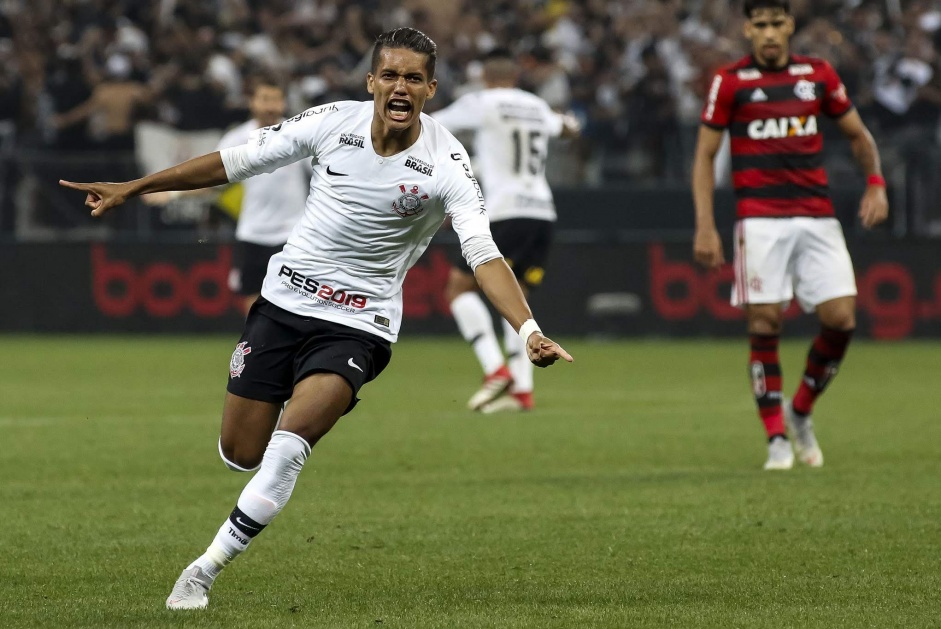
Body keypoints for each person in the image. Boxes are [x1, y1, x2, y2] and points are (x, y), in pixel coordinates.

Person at [59, 27, 572, 610]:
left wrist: (527, 329)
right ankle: (264, 430)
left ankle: (201, 571)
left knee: (287, 448)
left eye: (413, 78)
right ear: (372, 81)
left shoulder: (448, 163)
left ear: (430, 89)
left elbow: (483, 253)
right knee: (240, 453)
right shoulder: (331, 122)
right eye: (390, 75)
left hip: (359, 325)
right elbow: (234, 162)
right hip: (283, 306)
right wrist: (135, 187)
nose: (400, 87)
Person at [691, 0, 888, 470]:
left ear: (791, 25)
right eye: (760, 25)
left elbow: (858, 136)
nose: (770, 33)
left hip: (817, 215)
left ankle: (800, 410)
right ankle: (776, 437)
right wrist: (704, 224)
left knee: (841, 320)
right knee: (764, 323)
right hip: (759, 219)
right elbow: (704, 157)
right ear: (747, 30)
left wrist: (876, 183)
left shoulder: (818, 75)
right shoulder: (731, 81)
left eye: (777, 23)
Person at [432, 49, 579, 413]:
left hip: (504, 211)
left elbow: (432, 122)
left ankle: (494, 368)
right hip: (541, 212)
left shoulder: (481, 102)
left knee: (458, 289)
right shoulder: (535, 105)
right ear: (515, 76)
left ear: (486, 77)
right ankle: (523, 391)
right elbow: (570, 128)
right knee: (518, 303)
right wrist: (567, 124)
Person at [146, 78, 310, 315]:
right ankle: (257, 349)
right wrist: (173, 194)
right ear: (252, 102)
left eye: (276, 99)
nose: (270, 106)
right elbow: (211, 179)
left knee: (296, 300)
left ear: (283, 103)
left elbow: (322, 175)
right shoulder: (239, 138)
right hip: (253, 232)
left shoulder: (298, 135)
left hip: (293, 234)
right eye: (265, 99)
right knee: (253, 298)